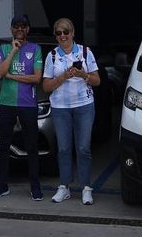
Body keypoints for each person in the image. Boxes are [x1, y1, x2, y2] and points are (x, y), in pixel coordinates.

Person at [42, 17, 101, 205]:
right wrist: (63, 76)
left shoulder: (85, 52)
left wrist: (82, 74)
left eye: (65, 32)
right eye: (58, 33)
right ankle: (64, 187)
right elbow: (46, 86)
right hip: (60, 108)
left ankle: (86, 188)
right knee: (64, 148)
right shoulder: (52, 56)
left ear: (72, 33)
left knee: (83, 148)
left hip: (84, 105)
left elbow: (97, 80)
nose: (62, 36)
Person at [0, 14, 43, 201]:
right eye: (16, 26)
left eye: (23, 26)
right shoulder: (4, 48)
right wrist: (13, 51)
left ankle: (35, 186)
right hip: (7, 103)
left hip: (28, 104)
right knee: (3, 146)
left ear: (28, 29)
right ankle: (1, 186)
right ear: (11, 29)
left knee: (31, 146)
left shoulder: (35, 49)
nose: (20, 29)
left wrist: (12, 77)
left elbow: (36, 78)